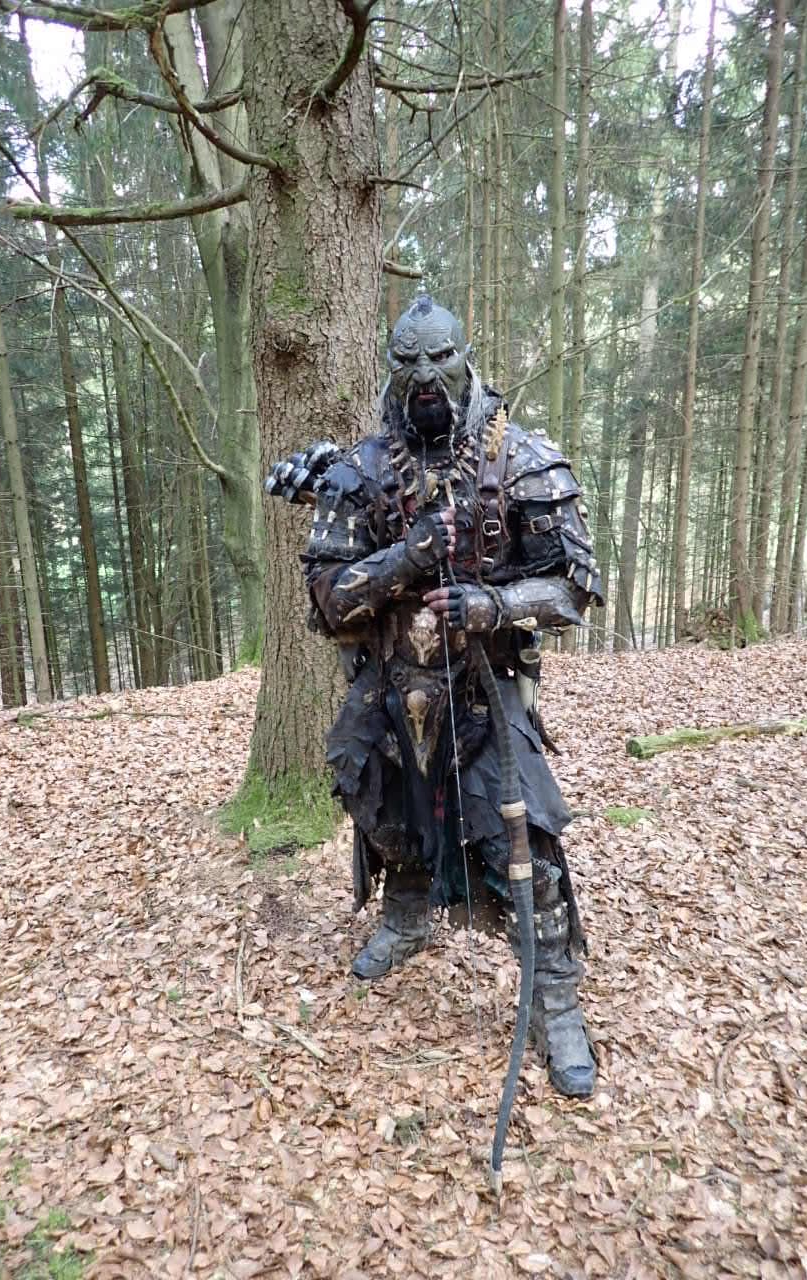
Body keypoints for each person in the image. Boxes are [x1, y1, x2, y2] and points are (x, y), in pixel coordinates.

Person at [266, 295, 603, 1098]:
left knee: (529, 851)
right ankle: (409, 915)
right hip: (388, 684)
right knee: (383, 811)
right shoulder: (362, 470)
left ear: (464, 358)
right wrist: (410, 559)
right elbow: (327, 600)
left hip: (486, 692)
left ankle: (556, 1002)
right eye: (408, 363)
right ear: (391, 370)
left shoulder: (521, 459)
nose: (425, 378)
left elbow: (573, 588)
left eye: (439, 360)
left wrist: (493, 605)